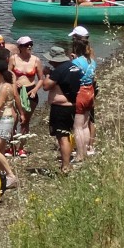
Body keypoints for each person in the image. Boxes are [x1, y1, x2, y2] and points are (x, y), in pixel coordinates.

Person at [42, 42, 82, 174]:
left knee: (62, 137)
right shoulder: (74, 66)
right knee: (69, 134)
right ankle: (69, 163)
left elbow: (46, 86)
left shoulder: (58, 71)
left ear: (54, 60)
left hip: (61, 108)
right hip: (73, 105)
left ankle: (65, 166)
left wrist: (47, 74)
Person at [71, 32, 97, 159]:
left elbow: (72, 78)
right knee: (86, 124)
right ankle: (85, 150)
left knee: (77, 126)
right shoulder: (92, 61)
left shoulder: (76, 62)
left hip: (81, 92)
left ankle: (80, 155)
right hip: (90, 91)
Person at [11, 36, 41, 148]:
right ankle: (11, 146)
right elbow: (8, 74)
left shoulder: (36, 60)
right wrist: (14, 81)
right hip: (16, 91)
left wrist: (35, 89)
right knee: (13, 120)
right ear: (20, 47)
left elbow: (41, 79)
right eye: (26, 45)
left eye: (30, 44)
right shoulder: (13, 59)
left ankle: (21, 148)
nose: (29, 46)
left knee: (25, 121)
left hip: (30, 91)